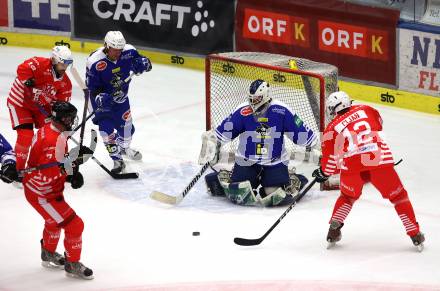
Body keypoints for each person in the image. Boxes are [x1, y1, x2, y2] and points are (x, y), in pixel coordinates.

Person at [312, 91, 425, 251]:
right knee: (398, 196)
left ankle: (334, 228)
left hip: (352, 166)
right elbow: (378, 125)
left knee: (347, 196)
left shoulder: (331, 128)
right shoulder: (366, 109)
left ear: (332, 109)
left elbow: (331, 161)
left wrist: (323, 172)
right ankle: (414, 233)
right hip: (379, 160)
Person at [199, 79, 317, 207]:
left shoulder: (281, 110)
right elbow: (224, 132)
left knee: (274, 196)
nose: (252, 102)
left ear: (265, 96)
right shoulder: (242, 110)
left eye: (256, 98)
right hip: (246, 161)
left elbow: (301, 133)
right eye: (251, 98)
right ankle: (227, 176)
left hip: (274, 162)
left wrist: (316, 144)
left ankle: (293, 179)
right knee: (239, 194)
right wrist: (212, 145)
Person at [23, 101, 93, 279]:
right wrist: (72, 167)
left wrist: (69, 168)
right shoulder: (51, 141)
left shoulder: (50, 128)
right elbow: (47, 175)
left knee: (54, 221)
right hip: (42, 193)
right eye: (70, 118)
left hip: (42, 188)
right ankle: (72, 264)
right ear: (62, 119)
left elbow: (54, 163)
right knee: (75, 225)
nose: (72, 121)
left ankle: (47, 252)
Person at [86, 30, 152, 174]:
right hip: (101, 101)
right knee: (106, 129)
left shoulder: (129, 51)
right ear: (106, 46)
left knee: (127, 131)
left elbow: (143, 62)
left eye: (120, 50)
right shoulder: (94, 61)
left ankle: (123, 147)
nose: (118, 53)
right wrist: (100, 97)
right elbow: (92, 88)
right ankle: (116, 159)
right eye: (114, 50)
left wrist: (144, 64)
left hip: (121, 99)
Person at [6, 45, 73, 181]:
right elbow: (22, 68)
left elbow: (61, 107)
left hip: (41, 108)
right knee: (26, 135)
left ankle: (56, 166)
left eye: (68, 63)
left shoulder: (65, 84)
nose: (65, 67)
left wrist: (63, 122)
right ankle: (19, 171)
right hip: (20, 103)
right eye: (62, 63)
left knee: (55, 134)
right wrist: (27, 80)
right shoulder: (39, 63)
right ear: (54, 60)